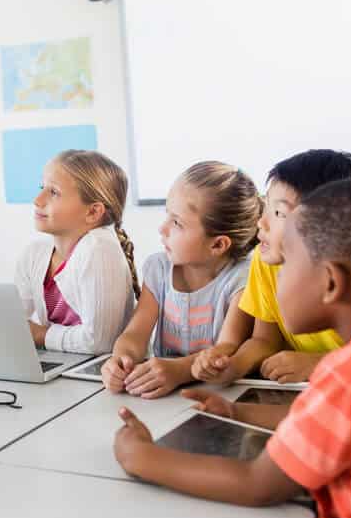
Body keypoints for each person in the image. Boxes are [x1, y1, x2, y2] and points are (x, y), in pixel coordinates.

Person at [113, 178, 351, 518]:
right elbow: (340, 420)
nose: (274, 276)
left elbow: (258, 484)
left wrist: (140, 457)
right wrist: (240, 413)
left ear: (331, 283)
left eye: (288, 263)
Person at [192, 149, 351, 385]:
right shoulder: (265, 261)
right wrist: (233, 366)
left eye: (279, 212)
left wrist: (319, 363)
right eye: (266, 206)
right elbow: (265, 340)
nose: (261, 222)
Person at [102, 162, 259, 398]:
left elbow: (228, 348)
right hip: (160, 392)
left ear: (218, 244)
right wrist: (120, 360)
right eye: (167, 215)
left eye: (177, 222)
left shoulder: (240, 279)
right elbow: (135, 333)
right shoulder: (158, 269)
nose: (162, 228)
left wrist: (179, 371)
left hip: (218, 396)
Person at [15, 150, 137, 355]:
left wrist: (41, 335)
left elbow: (99, 342)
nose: (37, 200)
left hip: (104, 374)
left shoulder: (99, 248)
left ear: (93, 212)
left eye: (53, 192)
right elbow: (15, 322)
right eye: (41, 187)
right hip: (64, 363)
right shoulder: (34, 254)